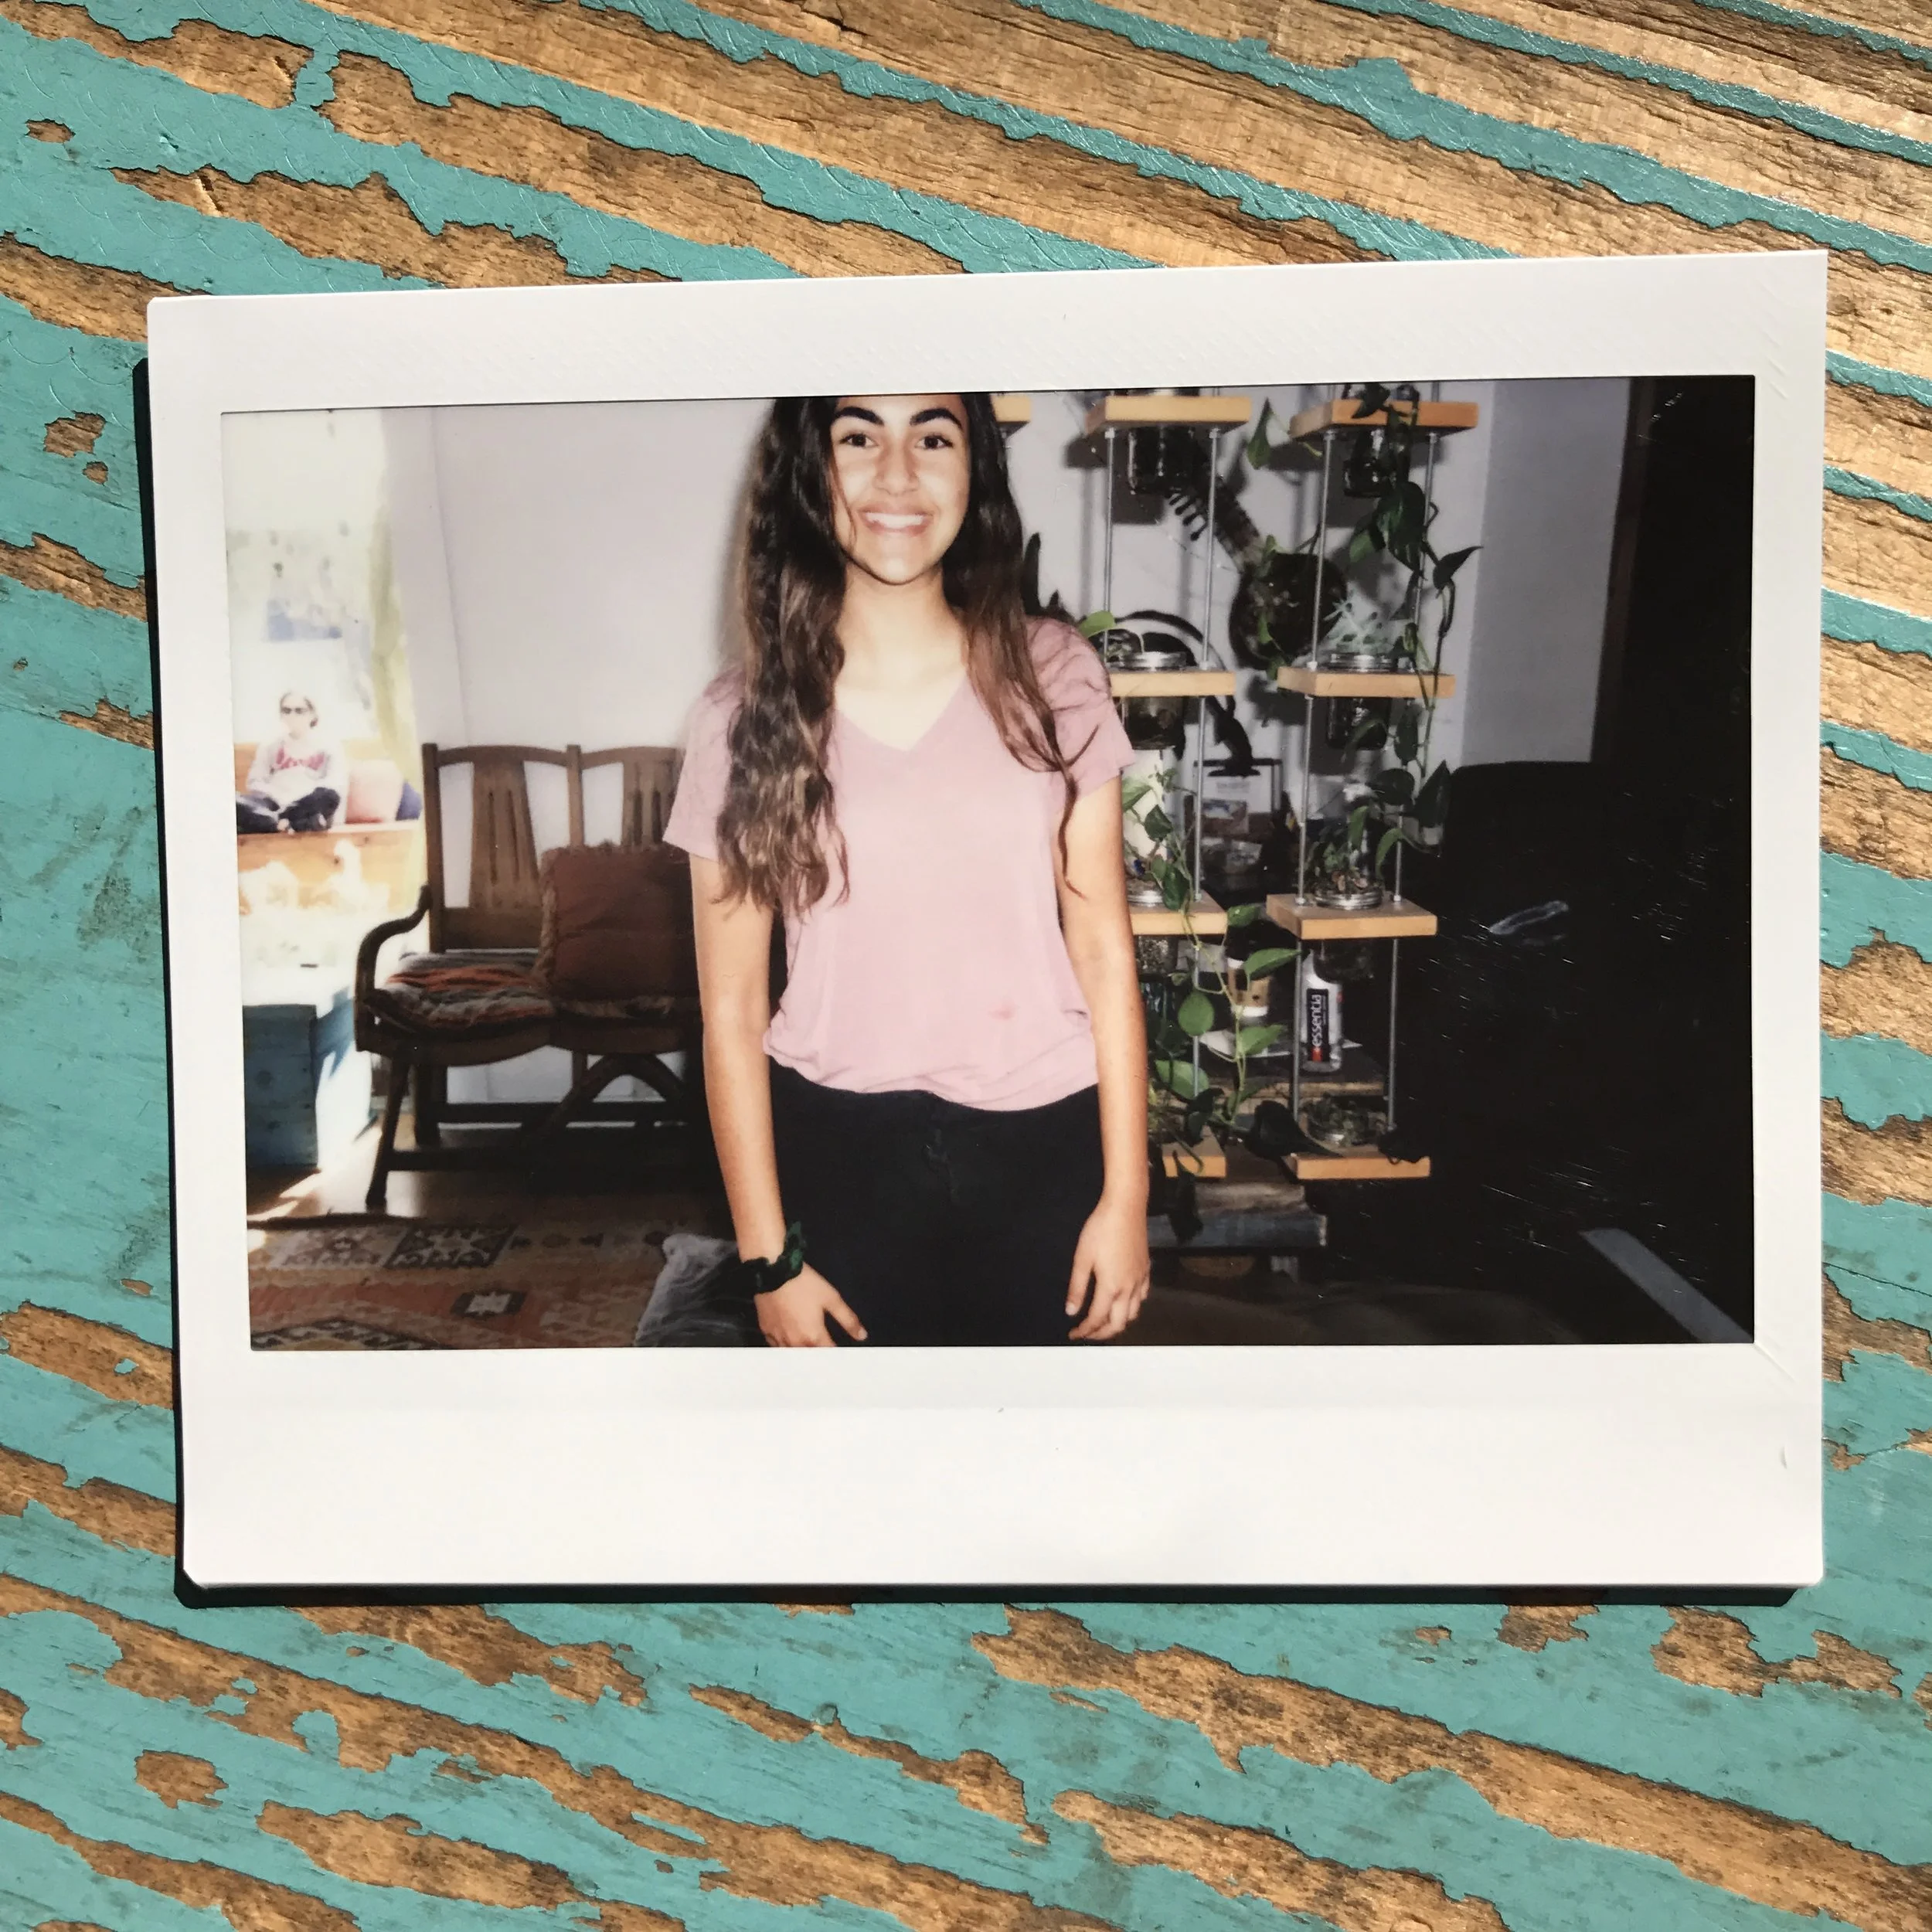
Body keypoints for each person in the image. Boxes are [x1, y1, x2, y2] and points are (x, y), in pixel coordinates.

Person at [662, 393, 1151, 1348]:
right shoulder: (739, 717)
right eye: (858, 437)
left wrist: (1126, 1196)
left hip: (1046, 1150)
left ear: (975, 470)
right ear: (811, 471)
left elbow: (1103, 951)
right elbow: (730, 1011)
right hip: (838, 1159)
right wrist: (768, 1259)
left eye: (933, 436)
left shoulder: (1056, 673)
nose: (897, 474)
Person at [236, 692, 345, 833]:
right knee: (234, 801)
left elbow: (334, 783)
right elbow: (255, 782)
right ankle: (285, 822)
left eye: (299, 711)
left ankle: (279, 821)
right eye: (287, 711)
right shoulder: (270, 745)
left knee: (329, 796)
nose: (292, 715)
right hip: (275, 803)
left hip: (308, 804)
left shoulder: (329, 746)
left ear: (312, 714)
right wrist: (278, 797)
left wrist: (299, 800)